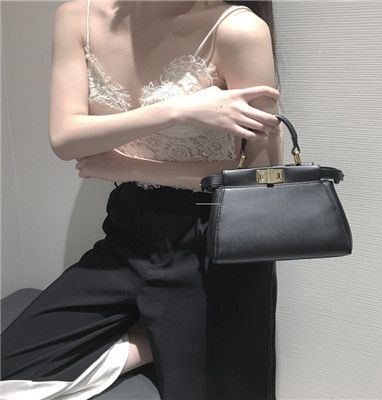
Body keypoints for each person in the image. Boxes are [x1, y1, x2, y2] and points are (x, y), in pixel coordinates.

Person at [0, 0, 283, 399]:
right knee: (9, 371)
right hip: (127, 232)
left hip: (213, 243)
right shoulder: (77, 17)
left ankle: (163, 338)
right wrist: (176, 111)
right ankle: (148, 342)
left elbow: (261, 178)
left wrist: (128, 167)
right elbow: (65, 139)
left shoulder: (237, 29)